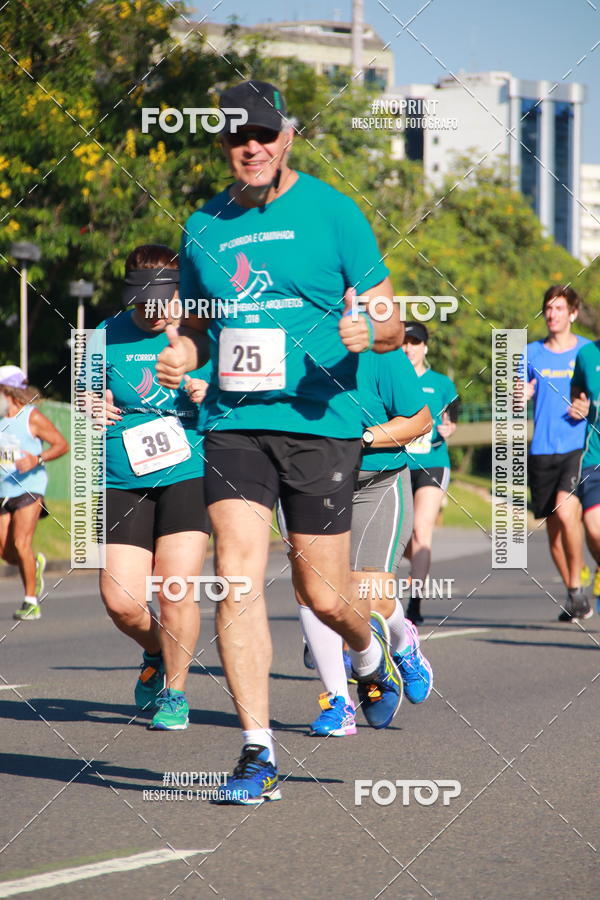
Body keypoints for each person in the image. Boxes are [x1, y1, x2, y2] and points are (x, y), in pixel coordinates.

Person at [156, 80, 404, 803]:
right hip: (234, 422)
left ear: (286, 136)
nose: (252, 147)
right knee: (236, 574)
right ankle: (256, 751)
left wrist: (375, 331)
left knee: (322, 595)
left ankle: (368, 648)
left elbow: (387, 315)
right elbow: (198, 328)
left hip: (320, 422)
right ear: (224, 146)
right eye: (238, 138)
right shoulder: (204, 226)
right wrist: (183, 356)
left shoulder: (334, 211)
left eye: (264, 134)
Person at [284, 345, 434, 737]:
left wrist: (361, 438)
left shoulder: (379, 349)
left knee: (372, 596)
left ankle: (402, 645)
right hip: (310, 479)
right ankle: (338, 701)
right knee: (312, 587)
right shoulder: (287, 337)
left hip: (377, 479)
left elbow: (420, 421)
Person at [98, 244, 211, 731]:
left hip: (189, 471)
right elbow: (81, 396)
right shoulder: (102, 335)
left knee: (175, 589)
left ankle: (176, 693)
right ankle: (156, 650)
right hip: (122, 476)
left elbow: (246, 397)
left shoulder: (202, 335)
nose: (149, 308)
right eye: (139, 297)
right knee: (121, 601)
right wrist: (89, 404)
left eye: (159, 298)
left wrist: (212, 395)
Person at [525, 286, 591, 622]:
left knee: (567, 514)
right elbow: (511, 397)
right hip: (541, 451)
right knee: (552, 532)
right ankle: (573, 592)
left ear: (573, 313)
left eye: (560, 308)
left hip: (576, 446)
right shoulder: (530, 352)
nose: (553, 314)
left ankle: (579, 589)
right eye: (548, 308)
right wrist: (518, 394)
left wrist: (588, 405)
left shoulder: (586, 351)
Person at [0, 366, 68, 620]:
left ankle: (30, 601)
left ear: (8, 392)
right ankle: (34, 564)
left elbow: (62, 444)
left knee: (21, 543)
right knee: (7, 553)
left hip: (29, 487)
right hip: (3, 489)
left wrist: (37, 459)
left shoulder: (32, 417)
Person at [402, 323, 459, 625]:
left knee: (420, 531)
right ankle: (416, 570)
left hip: (432, 463)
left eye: (415, 342)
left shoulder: (440, 383)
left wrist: (450, 427)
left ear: (425, 347)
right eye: (404, 342)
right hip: (397, 465)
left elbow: (453, 416)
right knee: (403, 539)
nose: (409, 348)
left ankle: (414, 604)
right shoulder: (391, 379)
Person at [566, 340, 599, 620]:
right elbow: (576, 387)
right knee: (593, 527)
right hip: (594, 457)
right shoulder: (587, 355)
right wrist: (579, 401)